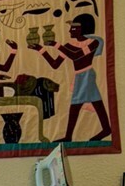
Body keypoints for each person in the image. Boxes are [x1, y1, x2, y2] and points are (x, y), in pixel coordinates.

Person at [35, 12, 113, 142]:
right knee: (95, 101)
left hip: (87, 75)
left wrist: (57, 45)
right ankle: (105, 128)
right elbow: (55, 64)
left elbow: (76, 55)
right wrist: (41, 50)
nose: (70, 30)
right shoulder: (69, 46)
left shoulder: (93, 42)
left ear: (84, 29)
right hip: (80, 77)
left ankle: (69, 136)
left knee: (76, 104)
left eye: (74, 28)